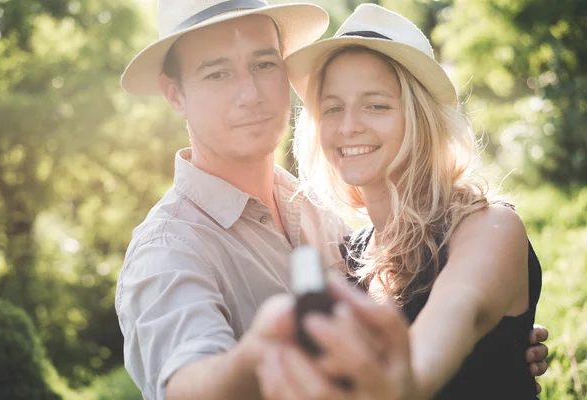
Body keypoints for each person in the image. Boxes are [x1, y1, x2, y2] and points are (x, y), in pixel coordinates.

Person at [115, 1, 549, 399]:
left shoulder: (330, 224)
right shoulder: (167, 249)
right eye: (218, 73)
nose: (250, 93)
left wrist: (497, 346)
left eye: (264, 64)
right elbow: (185, 385)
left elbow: (449, 324)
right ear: (175, 95)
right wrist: (259, 356)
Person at [256, 3, 546, 399]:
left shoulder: (488, 228)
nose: (348, 125)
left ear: (420, 117)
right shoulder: (348, 257)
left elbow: (426, 356)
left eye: (376, 105)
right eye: (333, 108)